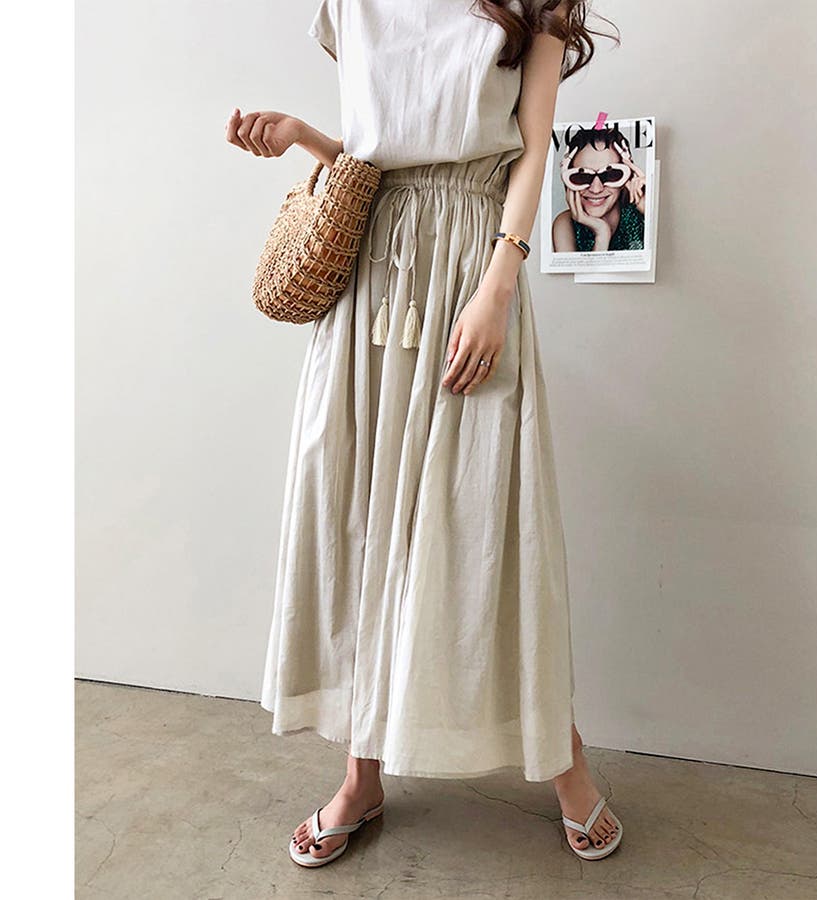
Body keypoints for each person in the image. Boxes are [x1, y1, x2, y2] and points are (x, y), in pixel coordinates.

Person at [225, 0, 623, 867]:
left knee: (489, 525)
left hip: (473, 263)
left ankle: (563, 759)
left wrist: (499, 286)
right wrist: (308, 138)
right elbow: (386, 152)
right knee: (358, 518)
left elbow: (533, 148)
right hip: (371, 276)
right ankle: (360, 775)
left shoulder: (536, 8)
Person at [551, 124, 647, 252]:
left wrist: (649, 210)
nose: (596, 189)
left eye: (610, 175)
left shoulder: (641, 214)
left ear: (627, 176)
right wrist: (602, 234)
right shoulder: (565, 224)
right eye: (582, 176)